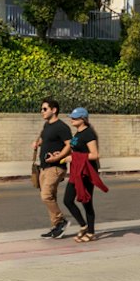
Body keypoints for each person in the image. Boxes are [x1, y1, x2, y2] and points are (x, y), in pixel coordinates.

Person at [47, 107, 107, 242]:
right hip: (76, 171)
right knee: (68, 200)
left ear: (83, 119)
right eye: (71, 117)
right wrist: (63, 155)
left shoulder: (89, 134)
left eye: (74, 118)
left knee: (86, 202)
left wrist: (75, 158)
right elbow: (75, 150)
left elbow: (94, 154)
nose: (71, 120)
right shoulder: (77, 134)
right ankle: (83, 225)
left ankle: (91, 232)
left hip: (86, 172)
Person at [33, 97, 73, 238]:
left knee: (46, 195)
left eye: (44, 109)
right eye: (41, 109)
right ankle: (56, 227)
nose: (42, 112)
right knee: (51, 197)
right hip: (44, 167)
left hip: (56, 167)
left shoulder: (62, 127)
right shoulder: (47, 125)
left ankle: (60, 221)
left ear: (54, 110)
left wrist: (58, 157)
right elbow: (45, 138)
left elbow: (70, 144)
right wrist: (37, 143)